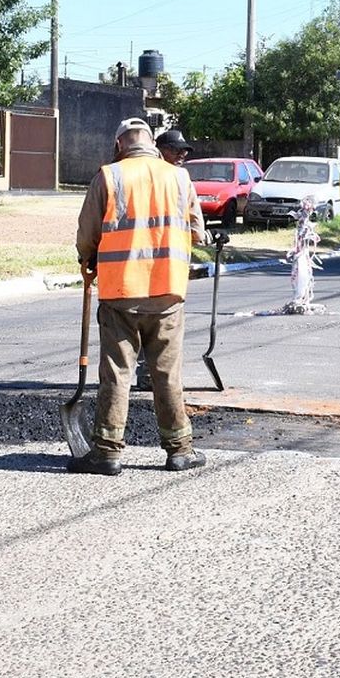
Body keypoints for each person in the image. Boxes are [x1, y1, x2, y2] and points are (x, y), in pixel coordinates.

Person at [71, 117, 207, 476]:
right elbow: (196, 230)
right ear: (151, 142)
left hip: (120, 293)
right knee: (166, 372)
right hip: (167, 292)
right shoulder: (179, 177)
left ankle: (107, 452)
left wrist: (87, 261)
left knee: (117, 373)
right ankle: (179, 449)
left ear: (119, 145)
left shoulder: (109, 176)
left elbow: (88, 233)